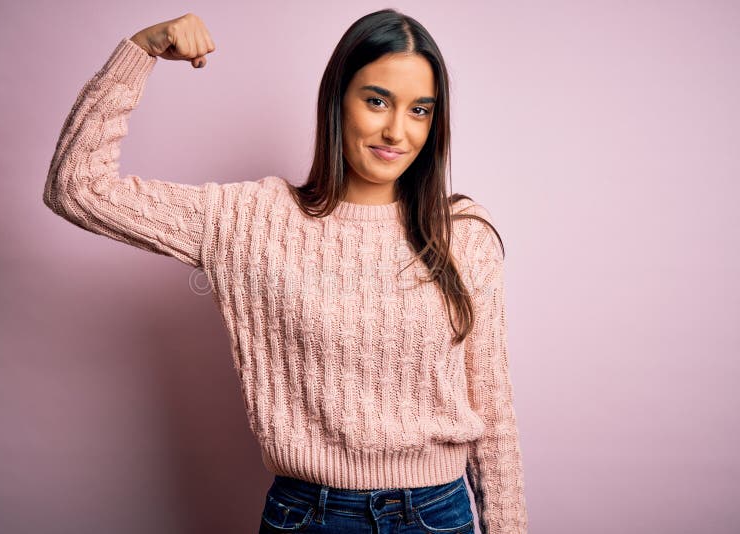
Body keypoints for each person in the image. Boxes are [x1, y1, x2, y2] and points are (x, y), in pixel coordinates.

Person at [43, 8, 528, 534]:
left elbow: (494, 412)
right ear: (337, 99)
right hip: (310, 517)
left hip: (438, 516)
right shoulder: (253, 220)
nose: (396, 130)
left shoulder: (463, 233)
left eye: (420, 110)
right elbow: (76, 187)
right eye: (377, 101)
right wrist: (139, 51)